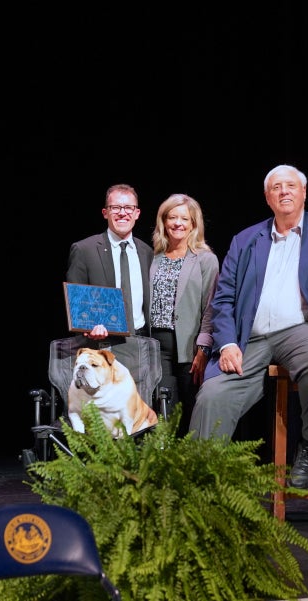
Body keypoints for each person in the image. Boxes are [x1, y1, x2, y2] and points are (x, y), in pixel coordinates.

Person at [188, 164, 308, 489]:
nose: (284, 191)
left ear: (304, 192)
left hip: (307, 330)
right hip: (250, 337)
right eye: (276, 187)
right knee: (212, 395)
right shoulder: (245, 240)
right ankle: (196, 487)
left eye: (291, 186)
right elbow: (223, 300)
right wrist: (226, 343)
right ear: (268, 197)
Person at [149, 193, 220, 433]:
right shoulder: (153, 258)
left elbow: (211, 307)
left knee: (191, 409)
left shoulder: (205, 259)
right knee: (164, 412)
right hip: (156, 347)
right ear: (164, 221)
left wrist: (203, 348)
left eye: (184, 219)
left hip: (190, 347)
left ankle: (192, 466)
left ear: (193, 224)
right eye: (172, 217)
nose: (178, 223)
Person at [66, 183, 153, 341]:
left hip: (142, 341)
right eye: (115, 207)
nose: (122, 213)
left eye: (128, 208)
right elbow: (77, 303)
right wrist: (87, 328)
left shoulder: (147, 252)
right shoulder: (84, 249)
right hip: (101, 344)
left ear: (137, 213)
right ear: (105, 213)